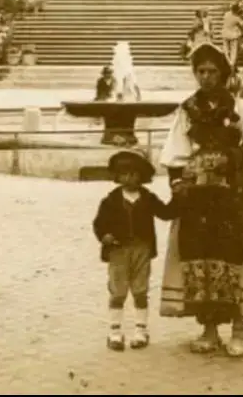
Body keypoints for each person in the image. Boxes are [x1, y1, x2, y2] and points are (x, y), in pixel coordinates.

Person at [159, 43, 243, 358]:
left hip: (231, 196)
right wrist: (179, 181)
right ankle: (209, 328)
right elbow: (175, 151)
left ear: (223, 73)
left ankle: (240, 329)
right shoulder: (187, 108)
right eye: (200, 71)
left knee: (232, 259)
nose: (206, 77)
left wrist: (229, 157)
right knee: (200, 261)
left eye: (212, 71)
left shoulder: (239, 108)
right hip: (198, 198)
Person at [92, 149, 177, 352]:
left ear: (142, 176)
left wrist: (180, 197)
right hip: (118, 251)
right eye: (124, 174)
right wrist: (105, 236)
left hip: (142, 249)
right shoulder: (110, 201)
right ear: (117, 176)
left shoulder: (148, 198)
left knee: (140, 290)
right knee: (118, 291)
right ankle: (114, 331)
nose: (129, 178)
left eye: (134, 173)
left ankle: (140, 330)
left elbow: (166, 213)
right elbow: (99, 224)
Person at [220, 3, 243, 69]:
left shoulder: (226, 14)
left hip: (225, 34)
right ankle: (231, 63)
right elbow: (242, 24)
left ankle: (228, 62)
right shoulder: (236, 18)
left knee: (226, 49)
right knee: (234, 50)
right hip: (233, 35)